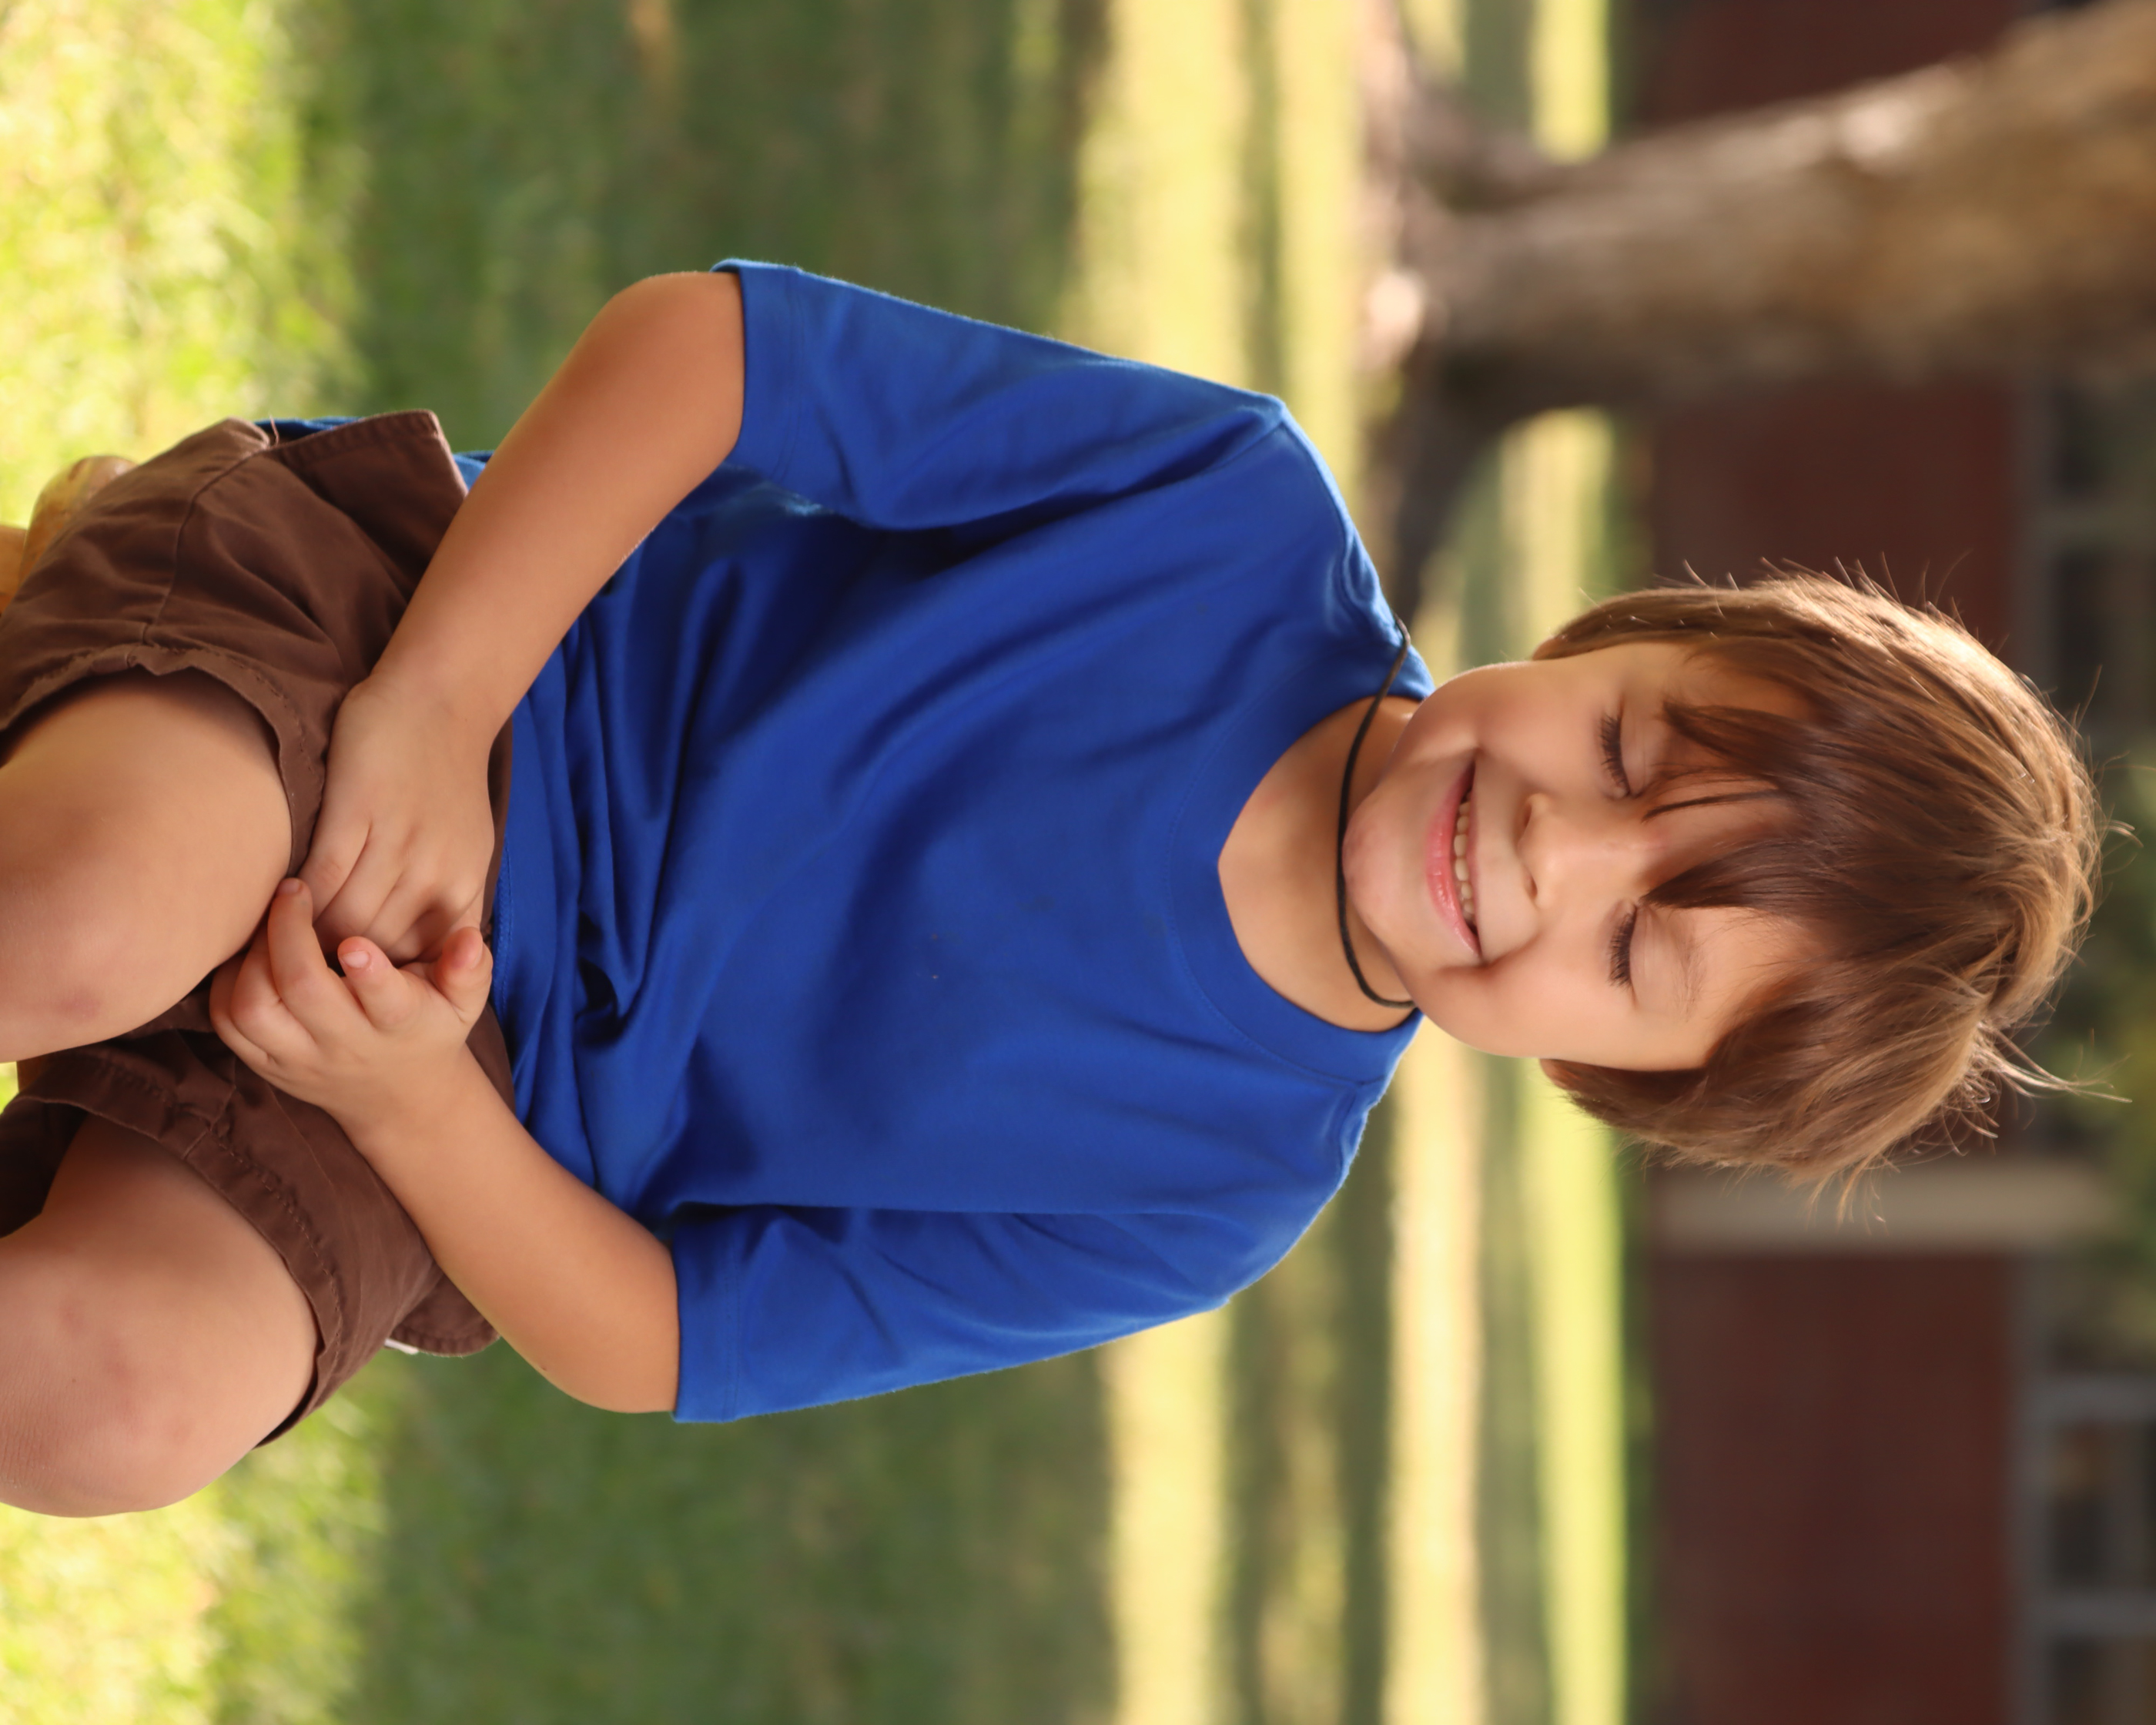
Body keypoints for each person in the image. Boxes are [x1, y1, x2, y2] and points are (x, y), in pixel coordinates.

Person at [0, 266, 2101, 1516]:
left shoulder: (1209, 1192)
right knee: (84, 918)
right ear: (1620, 631)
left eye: (1636, 951)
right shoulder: (1225, 512)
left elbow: (654, 1338)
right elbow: (710, 347)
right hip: (409, 656)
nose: (1555, 849)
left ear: (1608, 1080)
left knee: (119, 1396)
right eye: (1630, 750)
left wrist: (402, 1102)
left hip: (438, 1107)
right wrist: (438, 713)